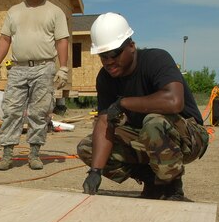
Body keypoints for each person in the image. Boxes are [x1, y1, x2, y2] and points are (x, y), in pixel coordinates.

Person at [79, 13, 209, 200]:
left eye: (114, 54)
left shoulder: (156, 59)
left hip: (189, 137)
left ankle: (172, 187)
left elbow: (174, 102)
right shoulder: (105, 78)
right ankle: (153, 181)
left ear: (131, 46)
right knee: (88, 147)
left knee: (153, 122)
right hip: (146, 137)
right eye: (102, 56)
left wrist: (124, 103)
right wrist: (95, 171)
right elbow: (104, 121)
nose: (108, 61)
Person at [0, 0, 70, 171]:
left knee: (39, 112)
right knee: (11, 110)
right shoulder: (14, 12)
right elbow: (5, 38)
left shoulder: (55, 12)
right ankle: (7, 154)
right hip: (17, 69)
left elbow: (62, 40)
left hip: (44, 68)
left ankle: (34, 154)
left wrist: (63, 68)